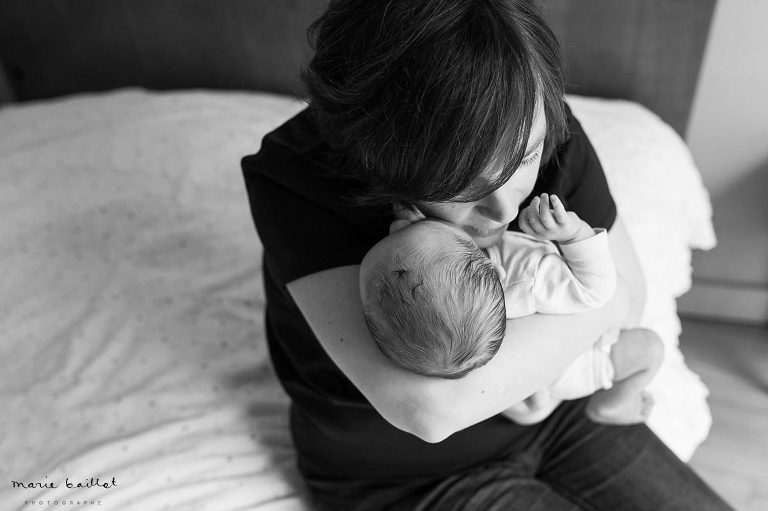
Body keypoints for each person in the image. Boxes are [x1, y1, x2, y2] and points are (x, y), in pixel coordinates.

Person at [241, 0, 734, 509]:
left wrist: (550, 365)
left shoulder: (533, 114)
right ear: (385, 161)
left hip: (568, 411)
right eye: (464, 187)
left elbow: (629, 301)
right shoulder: (297, 179)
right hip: (406, 475)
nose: (504, 207)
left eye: (524, 159)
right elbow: (432, 412)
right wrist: (586, 311)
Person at [359, 192, 664, 425]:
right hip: (587, 360)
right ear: (498, 274)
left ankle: (537, 401)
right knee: (650, 347)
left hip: (530, 379)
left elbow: (418, 266)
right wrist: (573, 235)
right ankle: (617, 401)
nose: (402, 226)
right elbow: (598, 290)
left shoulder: (459, 309)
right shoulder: (531, 279)